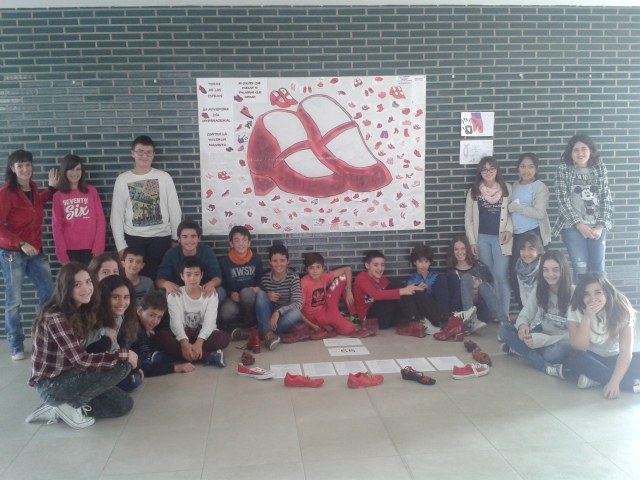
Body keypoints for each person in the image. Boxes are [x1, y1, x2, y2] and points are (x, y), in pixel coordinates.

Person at [26, 263, 136, 429]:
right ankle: (70, 406)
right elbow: (81, 360)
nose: (86, 288)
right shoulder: (55, 316)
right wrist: (123, 355)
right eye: (77, 285)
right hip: (52, 385)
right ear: (66, 288)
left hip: (71, 376)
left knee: (123, 404)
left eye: (88, 282)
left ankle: (57, 409)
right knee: (122, 365)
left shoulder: (81, 309)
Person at [0, 149, 57, 360]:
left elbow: (35, 206)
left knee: (49, 294)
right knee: (14, 300)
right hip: (12, 253)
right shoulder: (5, 193)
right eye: (20, 165)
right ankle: (16, 344)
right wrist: (20, 242)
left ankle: (42, 339)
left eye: (27, 165)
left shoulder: (32, 188)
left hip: (35, 249)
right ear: (12, 169)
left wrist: (51, 190)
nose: (25, 169)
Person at [110, 135, 182, 280]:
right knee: (134, 282)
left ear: (153, 155)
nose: (144, 156)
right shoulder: (122, 180)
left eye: (148, 152)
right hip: (133, 239)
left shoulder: (164, 177)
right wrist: (121, 246)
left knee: (159, 279)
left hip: (161, 239)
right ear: (132, 153)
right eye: (140, 151)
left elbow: (175, 209)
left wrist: (175, 238)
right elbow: (116, 215)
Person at [498, 250, 574, 379]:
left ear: (563, 270)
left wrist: (543, 340)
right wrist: (522, 326)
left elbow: (577, 335)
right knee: (504, 330)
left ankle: (520, 349)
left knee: (553, 354)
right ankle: (546, 366)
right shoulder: (540, 289)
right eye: (546, 270)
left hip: (562, 341)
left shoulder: (574, 293)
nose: (550, 274)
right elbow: (526, 312)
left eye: (555, 270)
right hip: (543, 334)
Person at [565, 272, 639, 399]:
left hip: (615, 357)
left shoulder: (621, 306)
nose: (593, 299)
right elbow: (579, 347)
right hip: (590, 356)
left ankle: (596, 378)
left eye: (598, 292)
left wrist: (614, 382)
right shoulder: (575, 308)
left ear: (607, 292)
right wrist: (587, 318)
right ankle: (630, 384)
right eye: (586, 294)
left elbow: (626, 352)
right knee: (572, 357)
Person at [553, 134, 613, 282]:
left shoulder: (599, 168)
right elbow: (562, 200)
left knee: (599, 271)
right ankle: (581, 304)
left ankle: (600, 304)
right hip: (573, 228)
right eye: (576, 150)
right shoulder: (563, 169)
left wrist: (600, 226)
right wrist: (580, 225)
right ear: (570, 153)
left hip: (597, 228)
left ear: (591, 150)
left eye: (584, 149)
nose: (580, 153)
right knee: (581, 269)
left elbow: (606, 197)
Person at [154, 256, 230, 366]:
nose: (192, 278)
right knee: (160, 337)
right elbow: (176, 323)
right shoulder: (174, 295)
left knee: (223, 338)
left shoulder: (210, 294)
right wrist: (184, 343)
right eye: (188, 274)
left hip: (203, 335)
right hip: (183, 334)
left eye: (196, 274)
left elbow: (210, 323)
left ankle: (177, 355)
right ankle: (207, 357)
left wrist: (199, 343)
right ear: (182, 276)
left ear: (201, 275)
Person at [464, 155, 513, 317]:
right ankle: (495, 312)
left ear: (497, 170)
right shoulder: (474, 191)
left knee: (500, 275)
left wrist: (509, 230)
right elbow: (468, 219)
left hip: (501, 240)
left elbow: (512, 214)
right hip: (482, 239)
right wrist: (472, 242)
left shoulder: (507, 189)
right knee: (490, 275)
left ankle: (504, 315)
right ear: (480, 172)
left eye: (491, 168)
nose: (488, 172)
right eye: (484, 169)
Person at [508, 152, 551, 307]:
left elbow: (539, 213)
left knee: (537, 276)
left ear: (536, 169)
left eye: (531, 167)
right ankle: (523, 312)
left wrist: (517, 208)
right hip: (517, 237)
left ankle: (540, 311)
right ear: (518, 169)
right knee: (515, 274)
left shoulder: (540, 187)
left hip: (534, 235)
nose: (526, 170)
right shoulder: (514, 186)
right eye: (523, 166)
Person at [51, 154, 106, 266]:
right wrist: (62, 254)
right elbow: (57, 227)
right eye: (71, 169)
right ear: (64, 171)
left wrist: (98, 247)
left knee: (92, 281)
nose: (75, 173)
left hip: (91, 249)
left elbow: (100, 220)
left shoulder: (91, 191)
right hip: (69, 250)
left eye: (78, 169)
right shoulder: (58, 195)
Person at [446, 235, 510, 327]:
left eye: (463, 248)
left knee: (483, 285)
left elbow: (488, 289)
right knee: (467, 278)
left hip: (481, 309)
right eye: (456, 249)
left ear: (467, 249)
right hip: (462, 311)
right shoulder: (451, 272)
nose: (460, 252)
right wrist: (473, 285)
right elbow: (455, 296)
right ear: (452, 251)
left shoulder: (478, 266)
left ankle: (504, 322)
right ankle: (470, 321)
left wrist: (476, 286)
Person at [352, 250, 424, 330]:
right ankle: (415, 321)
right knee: (396, 286)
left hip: (386, 319)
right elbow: (376, 295)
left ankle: (421, 321)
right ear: (367, 265)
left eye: (382, 265)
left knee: (409, 289)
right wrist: (402, 291)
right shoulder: (362, 278)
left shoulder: (383, 280)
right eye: (376, 265)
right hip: (370, 319)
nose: (380, 268)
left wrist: (415, 289)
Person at [156, 219, 224, 302]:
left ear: (199, 238)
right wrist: (166, 284)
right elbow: (160, 280)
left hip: (202, 292)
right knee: (160, 294)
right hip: (179, 293)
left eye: (193, 236)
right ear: (179, 239)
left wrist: (211, 283)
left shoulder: (207, 251)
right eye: (185, 236)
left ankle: (203, 312)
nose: (189, 240)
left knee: (220, 292)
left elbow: (217, 276)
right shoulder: (171, 254)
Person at [131, 290, 195, 377]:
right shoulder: (135, 329)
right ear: (139, 311)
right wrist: (176, 368)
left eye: (159, 317)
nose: (155, 321)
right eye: (152, 315)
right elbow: (145, 368)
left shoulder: (142, 325)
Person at [301, 252, 362, 337]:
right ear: (307, 269)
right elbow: (297, 311)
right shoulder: (304, 283)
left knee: (343, 277)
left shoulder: (323, 276)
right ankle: (330, 324)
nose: (315, 271)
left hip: (326, 309)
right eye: (311, 268)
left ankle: (353, 315)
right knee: (349, 329)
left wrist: (349, 290)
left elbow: (347, 269)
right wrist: (313, 326)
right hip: (314, 318)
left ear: (323, 268)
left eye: (318, 267)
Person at [255, 242, 303, 350]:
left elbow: (298, 304)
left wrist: (279, 312)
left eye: (282, 260)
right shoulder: (265, 279)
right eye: (275, 261)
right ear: (270, 262)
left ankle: (263, 332)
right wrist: (267, 295)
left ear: (288, 261)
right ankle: (268, 334)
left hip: (283, 318)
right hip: (269, 317)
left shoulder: (293, 278)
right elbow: (260, 304)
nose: (279, 264)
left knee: (296, 313)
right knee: (261, 294)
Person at [218, 226, 263, 338]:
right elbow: (221, 284)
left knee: (246, 293)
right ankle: (224, 328)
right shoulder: (224, 262)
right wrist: (230, 294)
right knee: (225, 313)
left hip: (249, 296)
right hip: (234, 298)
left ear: (249, 243)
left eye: (244, 240)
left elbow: (260, 279)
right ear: (231, 244)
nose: (241, 244)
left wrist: (258, 287)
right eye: (237, 240)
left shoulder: (256, 259)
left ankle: (249, 320)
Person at [404, 245, 453, 335]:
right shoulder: (411, 280)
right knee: (414, 290)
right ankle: (441, 321)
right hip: (424, 312)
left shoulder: (437, 276)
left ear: (430, 262)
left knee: (443, 279)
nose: (423, 265)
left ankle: (446, 319)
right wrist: (419, 289)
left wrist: (429, 288)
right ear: (415, 262)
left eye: (426, 261)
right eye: (420, 261)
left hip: (438, 308)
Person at [513, 232, 544, 308]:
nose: (526, 253)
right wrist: (527, 310)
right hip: (529, 308)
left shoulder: (544, 267)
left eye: (531, 249)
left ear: (538, 250)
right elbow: (522, 292)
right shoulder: (520, 267)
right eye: (523, 249)